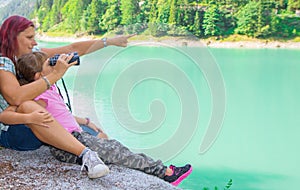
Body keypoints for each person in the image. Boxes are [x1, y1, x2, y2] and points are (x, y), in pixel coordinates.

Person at [14, 51, 192, 186]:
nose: (54, 66)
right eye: (49, 65)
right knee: (115, 151)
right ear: (38, 77)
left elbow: (61, 114)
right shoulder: (37, 97)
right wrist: (30, 115)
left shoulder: (50, 88)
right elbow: (15, 111)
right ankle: (165, 173)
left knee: (114, 146)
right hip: (67, 144)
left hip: (77, 135)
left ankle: (159, 170)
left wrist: (85, 121)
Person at [0, 15, 132, 179]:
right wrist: (55, 74)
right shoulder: (3, 63)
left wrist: (108, 42)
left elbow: (71, 48)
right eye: (29, 37)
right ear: (12, 38)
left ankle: (93, 156)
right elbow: (16, 98)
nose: (34, 42)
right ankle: (86, 155)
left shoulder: (32, 54)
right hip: (15, 130)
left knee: (99, 135)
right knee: (30, 106)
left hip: (41, 124)